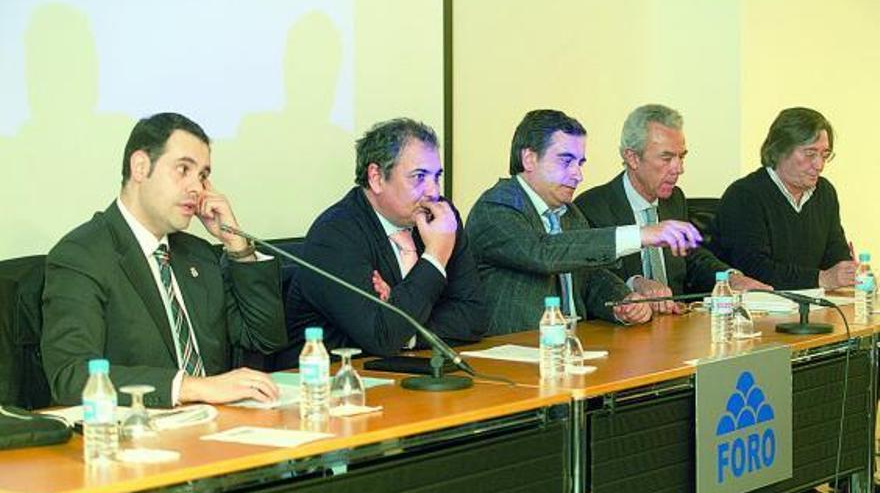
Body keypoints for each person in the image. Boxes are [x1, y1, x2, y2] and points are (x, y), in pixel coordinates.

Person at [41, 113, 287, 408]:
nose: (197, 188)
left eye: (203, 176)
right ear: (141, 167)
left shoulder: (198, 255)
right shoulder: (82, 255)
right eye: (183, 169)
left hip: (220, 429)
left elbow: (264, 339)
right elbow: (71, 375)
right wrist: (192, 388)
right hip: (139, 435)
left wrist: (238, 245)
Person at [465, 109, 702, 335]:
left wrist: (624, 300)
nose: (577, 175)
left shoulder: (570, 213)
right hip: (515, 357)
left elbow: (590, 277)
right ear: (529, 159)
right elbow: (544, 253)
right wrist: (640, 235)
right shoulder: (496, 208)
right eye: (565, 161)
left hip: (574, 349)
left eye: (580, 163)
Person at [282, 118, 486, 361]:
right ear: (376, 177)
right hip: (330, 383)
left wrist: (404, 326)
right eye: (419, 177)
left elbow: (474, 316)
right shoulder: (335, 234)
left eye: (436, 177)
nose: (433, 192)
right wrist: (435, 257)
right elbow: (383, 336)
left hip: (407, 370)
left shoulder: (440, 218)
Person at [575, 104, 769, 313]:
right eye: (666, 158)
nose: (679, 169)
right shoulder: (592, 207)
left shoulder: (675, 199)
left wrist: (730, 278)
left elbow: (692, 258)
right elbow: (591, 278)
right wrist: (635, 284)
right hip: (622, 331)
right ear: (632, 158)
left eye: (681, 157)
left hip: (675, 324)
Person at [712, 107, 854, 290]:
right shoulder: (745, 195)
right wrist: (821, 279)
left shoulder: (824, 192)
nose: (819, 165)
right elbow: (754, 269)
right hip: (754, 310)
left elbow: (835, 255)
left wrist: (847, 270)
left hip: (809, 304)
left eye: (825, 155)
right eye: (810, 154)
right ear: (780, 150)